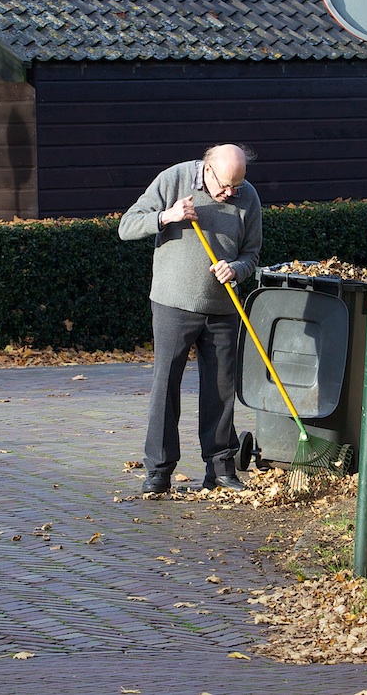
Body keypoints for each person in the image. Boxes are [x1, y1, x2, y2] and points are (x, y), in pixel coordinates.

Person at [118, 144, 262, 494]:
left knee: (221, 390)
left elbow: (252, 253)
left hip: (223, 307)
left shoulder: (248, 196)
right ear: (207, 169)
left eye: (236, 187)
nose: (230, 194)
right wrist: (167, 216)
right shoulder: (174, 179)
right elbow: (126, 226)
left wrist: (237, 269)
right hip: (173, 303)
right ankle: (159, 471)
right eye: (225, 186)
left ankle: (221, 470)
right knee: (165, 385)